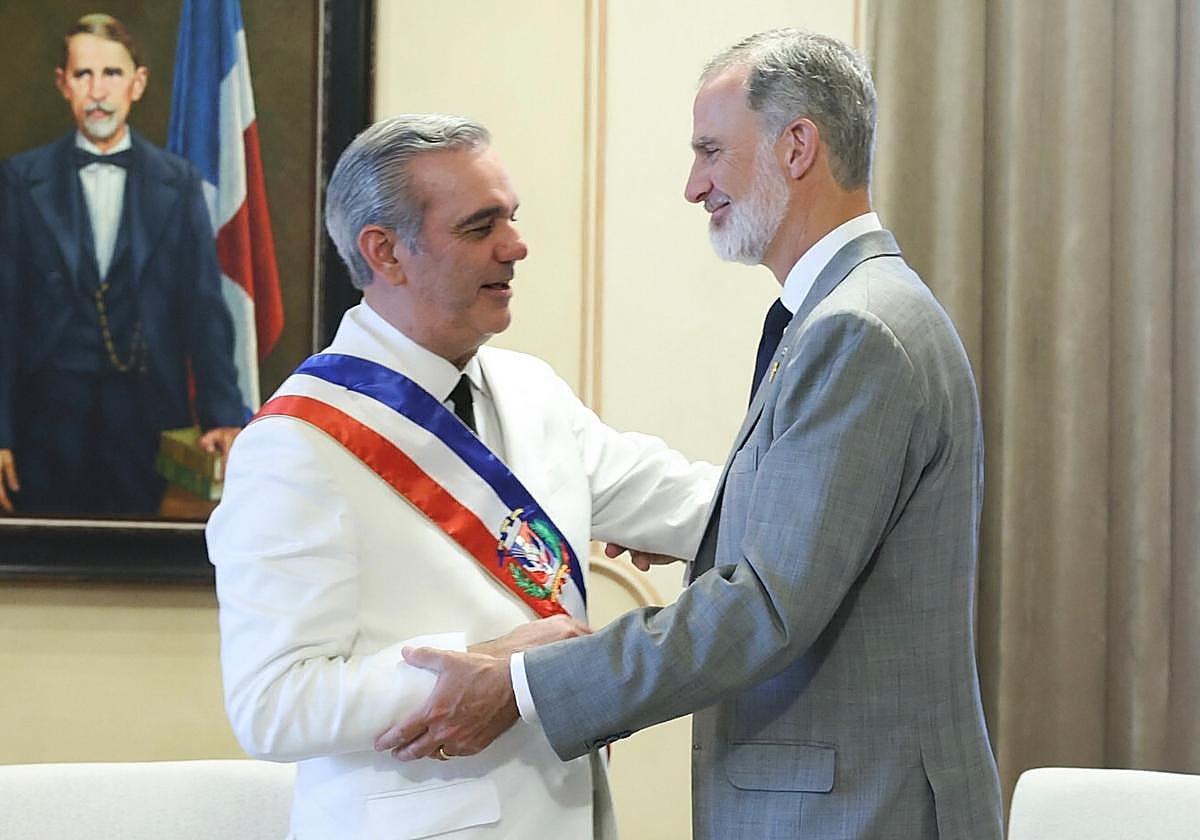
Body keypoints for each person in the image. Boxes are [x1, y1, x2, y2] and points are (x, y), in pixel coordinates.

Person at [376, 29, 1006, 840]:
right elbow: (823, 534)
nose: (692, 185)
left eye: (711, 151)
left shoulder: (858, 330)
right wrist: (715, 531)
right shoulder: (849, 312)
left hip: (858, 811)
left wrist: (528, 687)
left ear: (797, 146)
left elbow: (768, 607)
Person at [205, 113, 718, 839]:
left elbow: (696, 507)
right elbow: (272, 704)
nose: (517, 246)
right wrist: (495, 672)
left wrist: (867, 475)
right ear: (385, 252)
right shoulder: (294, 443)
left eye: (512, 217)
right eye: (481, 227)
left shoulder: (530, 390)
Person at [0, 13, 242, 517]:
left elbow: (202, 306)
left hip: (146, 418)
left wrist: (221, 413)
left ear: (139, 82)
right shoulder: (20, 181)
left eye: (112, 74)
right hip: (45, 419)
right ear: (63, 84)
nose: (98, 91)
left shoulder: (177, 183)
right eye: (83, 75)